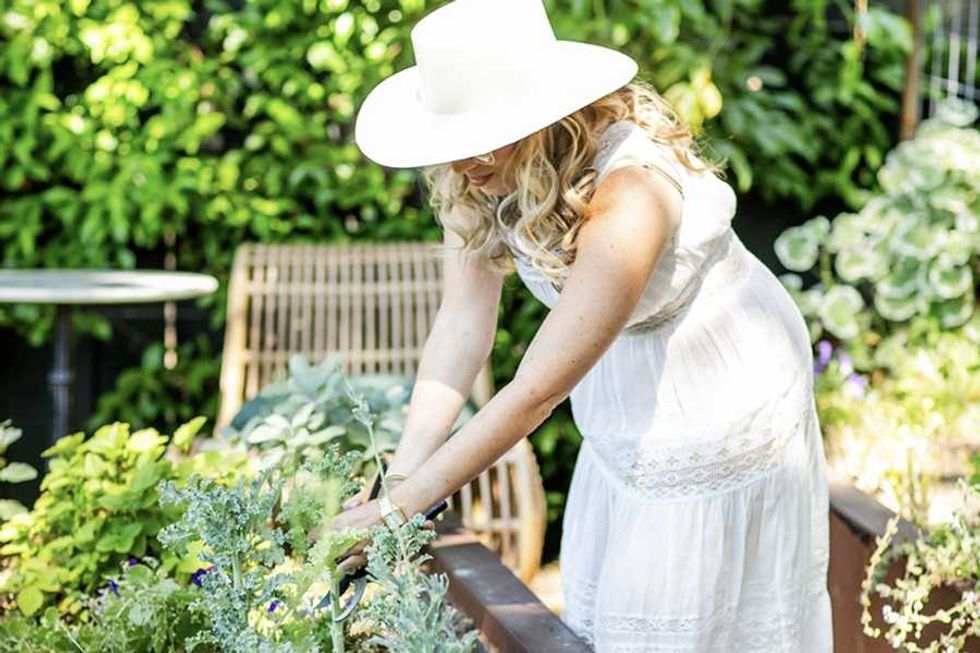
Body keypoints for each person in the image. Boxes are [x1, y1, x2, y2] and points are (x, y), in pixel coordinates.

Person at [331, 0, 834, 650]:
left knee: (692, 618)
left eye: (480, 135)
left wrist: (396, 515)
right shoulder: (472, 174)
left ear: (539, 116)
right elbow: (461, 324)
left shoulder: (633, 191)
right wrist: (399, 479)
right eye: (450, 141)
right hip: (623, 390)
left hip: (719, 394)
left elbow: (536, 389)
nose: (461, 163)